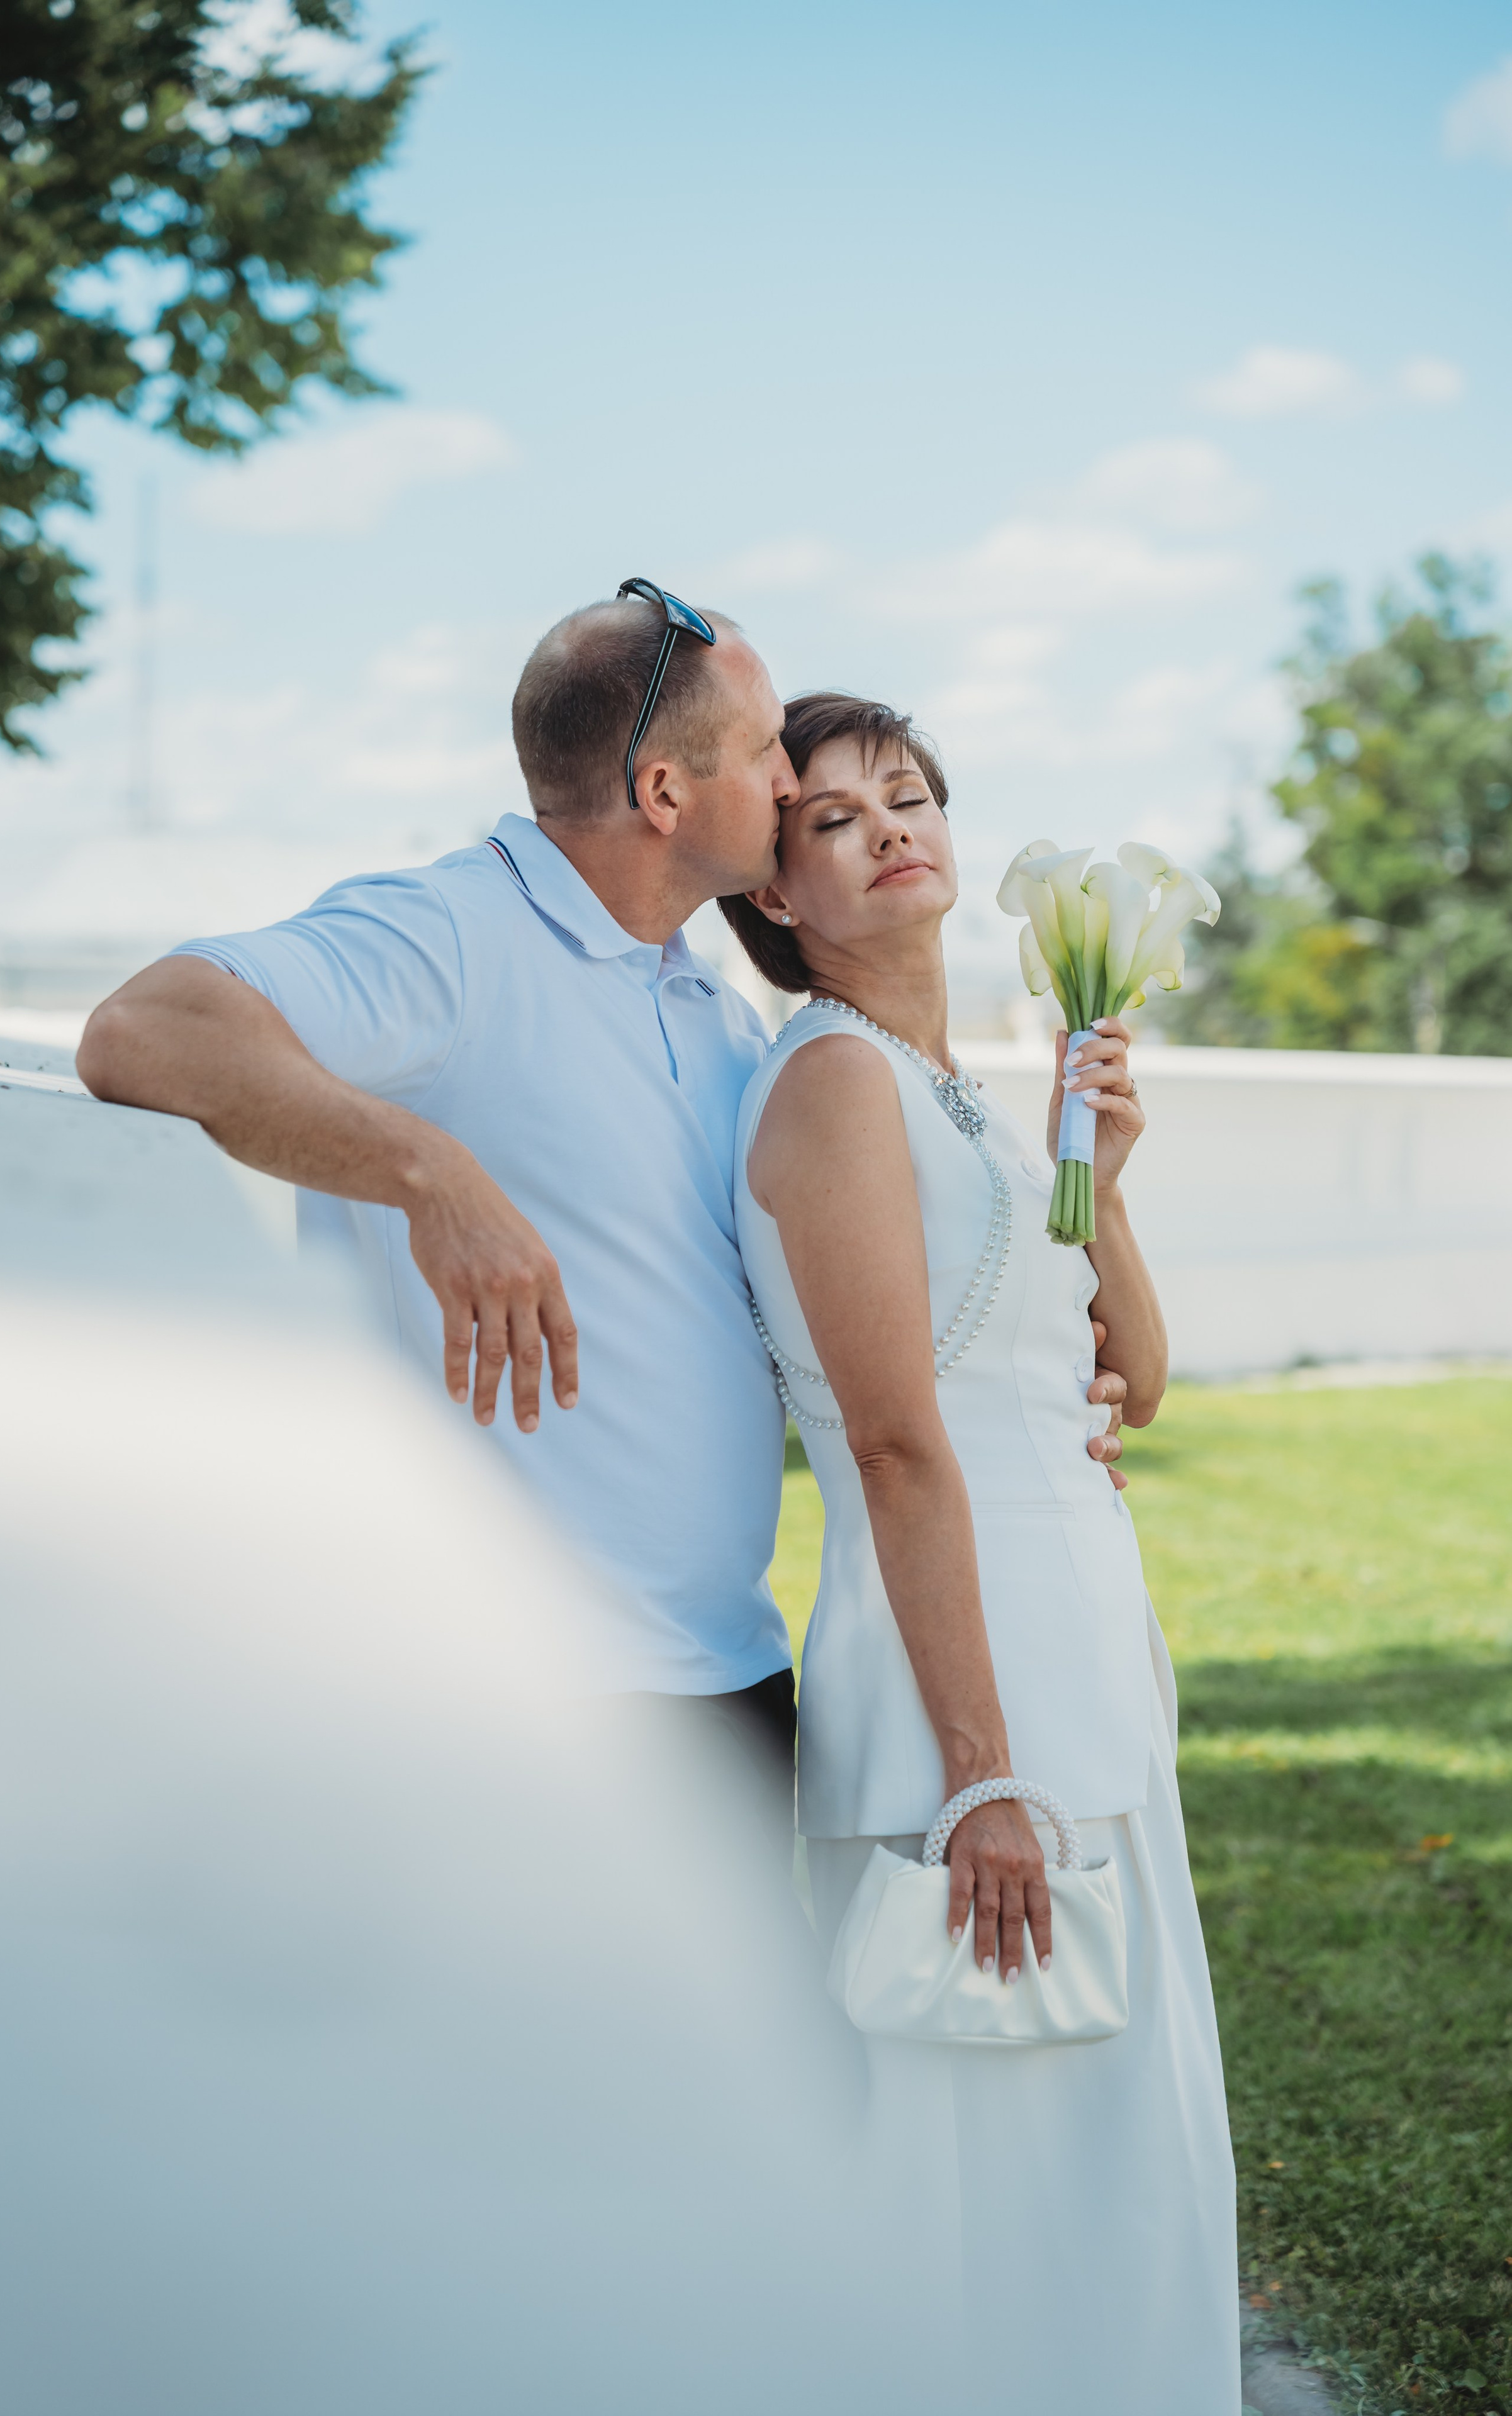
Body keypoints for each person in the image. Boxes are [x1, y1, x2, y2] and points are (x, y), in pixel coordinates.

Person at [76, 586, 1132, 1828]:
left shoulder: (722, 1022)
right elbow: (143, 1032)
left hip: (722, 1676)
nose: (789, 785)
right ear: (664, 795)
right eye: (762, 757)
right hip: (512, 1691)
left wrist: (1025, 1400)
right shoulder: (451, 931)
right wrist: (430, 1174)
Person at [720, 691, 1239, 2413]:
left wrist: (1105, 1169)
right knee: (986, 2193)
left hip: (1083, 1648)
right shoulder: (832, 1082)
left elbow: (1132, 1383)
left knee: (1112, 2163)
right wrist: (977, 1776)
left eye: (915, 796)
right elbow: (890, 1444)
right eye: (839, 818)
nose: (894, 828)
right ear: (778, 893)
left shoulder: (959, 1098)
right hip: (974, 1686)